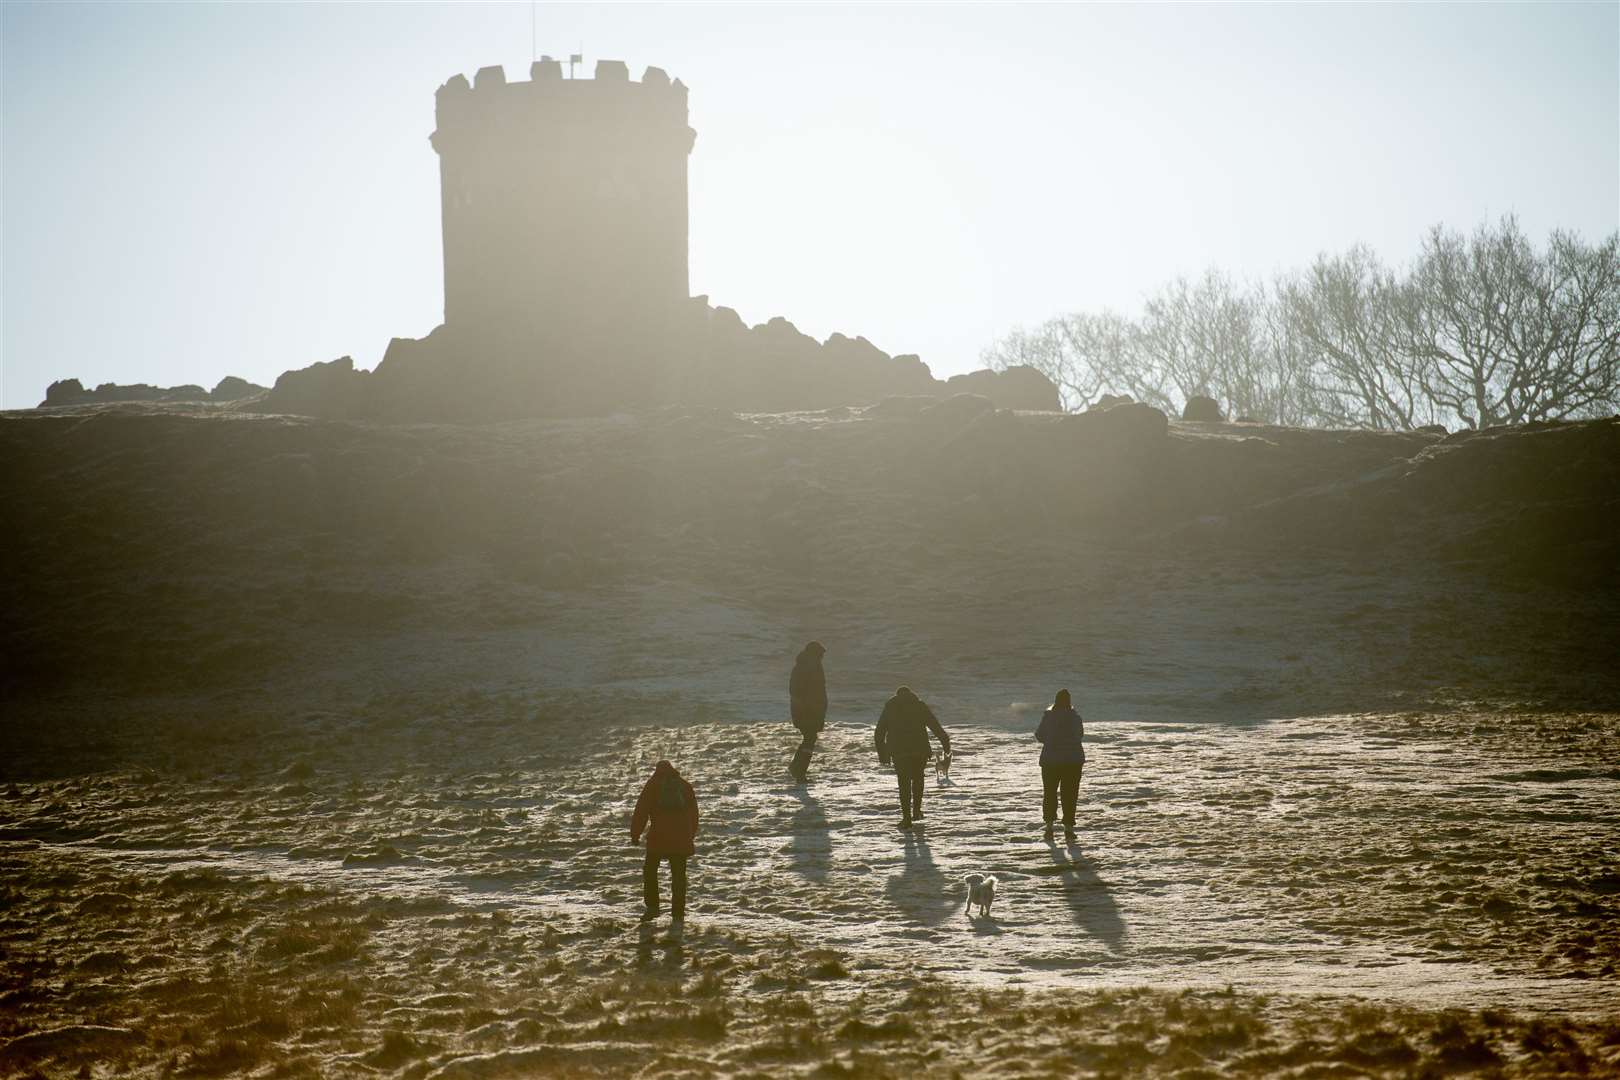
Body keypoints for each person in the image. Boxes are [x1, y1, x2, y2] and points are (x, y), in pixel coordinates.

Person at [630, 760, 699, 921]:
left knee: (650, 871)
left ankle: (653, 907)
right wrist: (690, 835)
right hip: (680, 839)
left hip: (658, 838)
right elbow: (694, 814)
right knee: (679, 876)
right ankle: (678, 913)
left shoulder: (653, 785)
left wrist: (635, 834)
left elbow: (641, 810)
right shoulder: (685, 786)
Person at [874, 685, 950, 829]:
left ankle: (906, 819)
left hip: (899, 752)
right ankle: (916, 811)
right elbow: (935, 726)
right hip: (919, 751)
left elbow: (879, 733)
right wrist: (945, 744)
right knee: (918, 779)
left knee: (903, 784)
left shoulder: (890, 707)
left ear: (897, 695)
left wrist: (883, 755)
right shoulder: (919, 706)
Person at [1034, 688, 1085, 842]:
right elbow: (1080, 735)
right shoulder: (1075, 717)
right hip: (1073, 761)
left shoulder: (1048, 717)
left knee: (1050, 792)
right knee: (1070, 794)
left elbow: (1039, 735)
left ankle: (1049, 826)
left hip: (1051, 760)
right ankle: (1069, 827)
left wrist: (1051, 741)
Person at [788, 641, 827, 781]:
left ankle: (797, 767)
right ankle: (799, 771)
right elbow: (798, 691)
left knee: (809, 738)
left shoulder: (806, 666)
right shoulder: (809, 667)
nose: (822, 657)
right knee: (810, 739)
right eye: (821, 654)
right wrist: (810, 708)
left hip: (807, 710)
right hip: (808, 711)